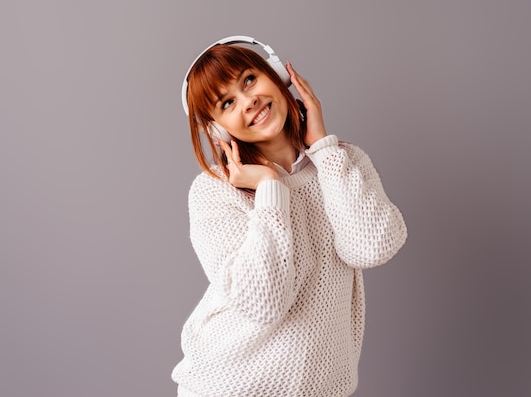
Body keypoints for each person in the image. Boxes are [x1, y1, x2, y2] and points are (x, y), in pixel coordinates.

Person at [172, 39, 407, 397]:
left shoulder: (341, 162)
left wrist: (324, 149)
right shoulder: (214, 192)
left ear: (279, 75)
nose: (248, 101)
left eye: (249, 80)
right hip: (228, 387)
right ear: (218, 129)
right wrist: (269, 187)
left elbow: (372, 247)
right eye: (227, 102)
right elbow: (264, 302)